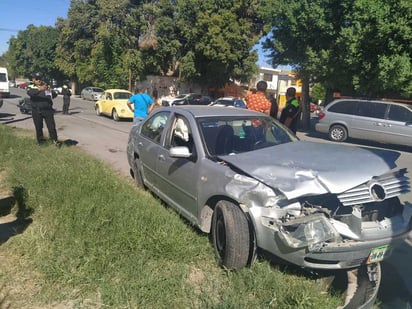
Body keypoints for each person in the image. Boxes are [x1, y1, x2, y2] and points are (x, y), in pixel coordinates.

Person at [27, 73, 59, 145]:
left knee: (51, 127)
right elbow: (30, 93)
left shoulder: (46, 86)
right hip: (37, 110)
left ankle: (54, 141)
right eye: (37, 79)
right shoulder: (31, 86)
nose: (39, 80)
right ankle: (41, 142)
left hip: (48, 110)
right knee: (39, 127)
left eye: (40, 79)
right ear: (33, 80)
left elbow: (54, 95)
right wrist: (39, 89)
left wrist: (50, 91)